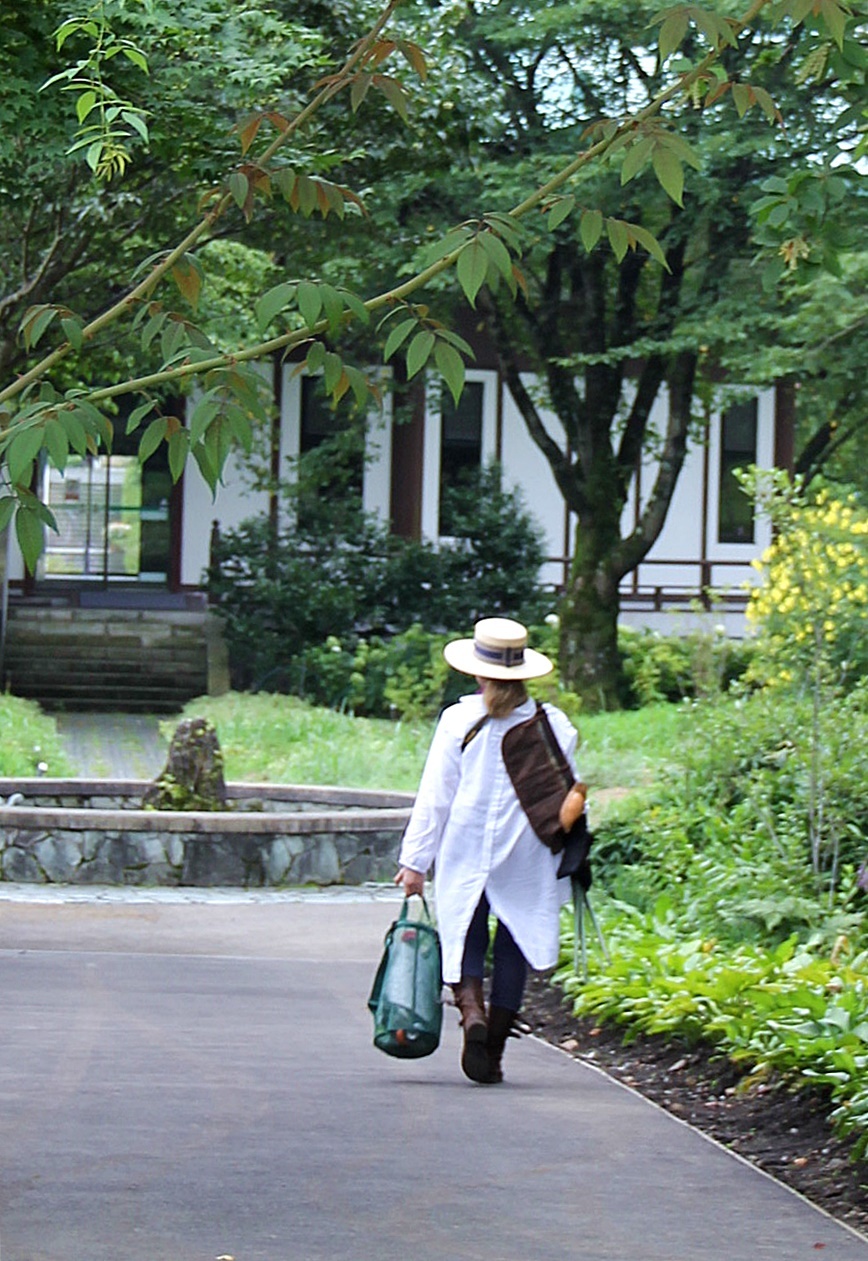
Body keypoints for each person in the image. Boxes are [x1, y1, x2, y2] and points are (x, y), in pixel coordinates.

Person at [394, 616, 582, 1085]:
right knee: (515, 935)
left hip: (466, 838)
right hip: (527, 846)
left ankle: (471, 1011)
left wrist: (414, 862)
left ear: (478, 672)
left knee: (467, 926)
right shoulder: (553, 724)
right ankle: (494, 1045)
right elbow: (567, 796)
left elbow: (436, 794)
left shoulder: (459, 719)